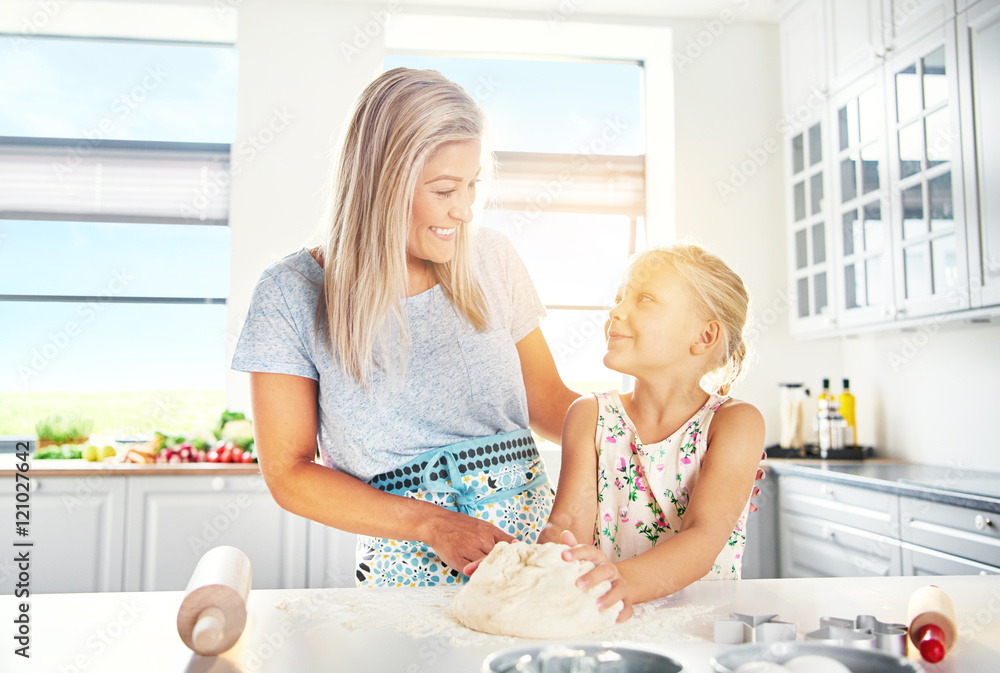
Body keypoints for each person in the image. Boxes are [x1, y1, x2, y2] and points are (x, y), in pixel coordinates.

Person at [231, 67, 579, 586]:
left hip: (527, 558)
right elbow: (289, 473)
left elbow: (551, 403)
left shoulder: (493, 258)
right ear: (382, 183)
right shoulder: (290, 292)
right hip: (407, 569)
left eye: (472, 186)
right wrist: (433, 524)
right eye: (444, 190)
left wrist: (670, 432)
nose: (463, 210)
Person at [537, 244, 765, 621]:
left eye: (644, 299)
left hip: (704, 625)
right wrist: (544, 561)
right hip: (607, 617)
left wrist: (618, 581)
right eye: (618, 298)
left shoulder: (734, 423)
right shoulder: (590, 416)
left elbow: (702, 536)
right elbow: (568, 527)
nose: (615, 311)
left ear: (705, 336)